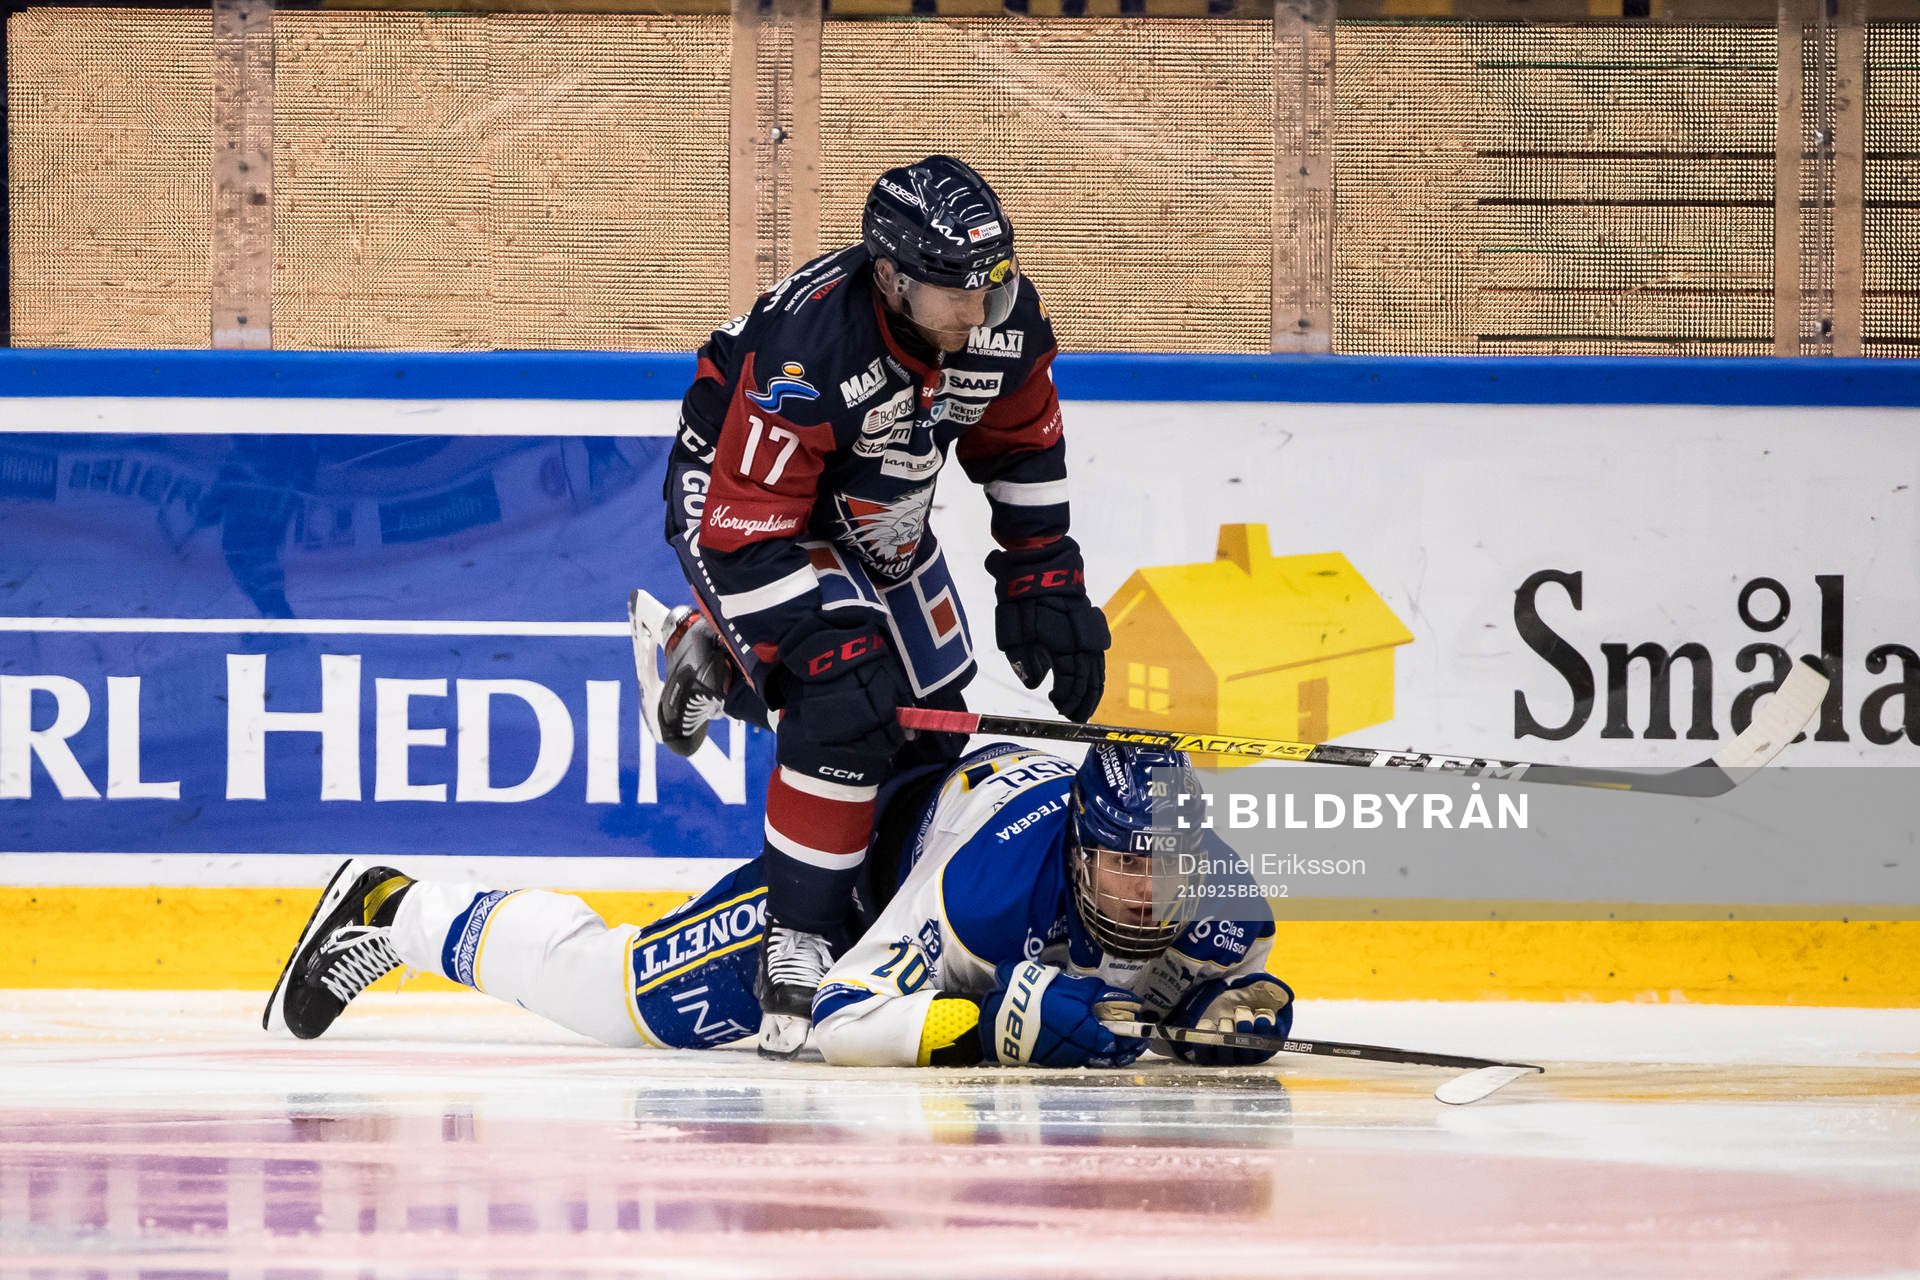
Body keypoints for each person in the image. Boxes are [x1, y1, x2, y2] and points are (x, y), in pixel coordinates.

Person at [646, 154, 1111, 1055]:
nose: (980, 311)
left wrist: (1042, 576)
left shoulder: (996, 319)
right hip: (741, 505)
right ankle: (799, 940)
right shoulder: (807, 352)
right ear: (893, 279)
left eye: (994, 280)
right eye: (956, 292)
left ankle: (718, 661)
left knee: (925, 735)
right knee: (838, 702)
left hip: (874, 507)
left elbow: (1019, 448)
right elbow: (745, 527)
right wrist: (810, 645)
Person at [262, 743, 1295, 1071]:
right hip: (845, 890)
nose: (1147, 890)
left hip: (930, 832)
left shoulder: (1223, 897)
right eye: (1123, 863)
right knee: (620, 996)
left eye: (1166, 867)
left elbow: (1203, 990)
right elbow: (840, 1003)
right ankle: (396, 907)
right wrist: (988, 1022)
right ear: (1077, 846)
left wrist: (1227, 1006)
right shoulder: (983, 885)